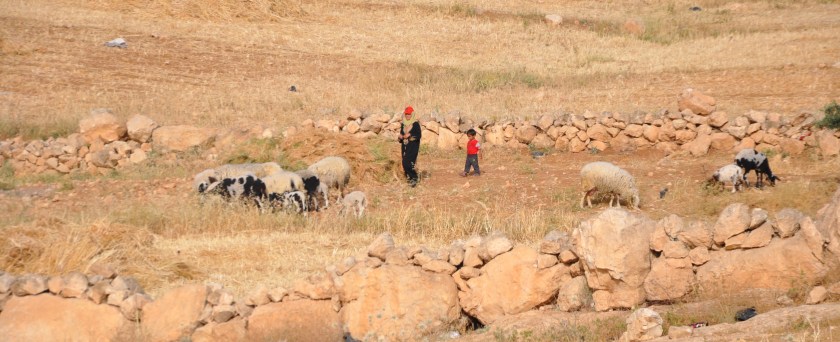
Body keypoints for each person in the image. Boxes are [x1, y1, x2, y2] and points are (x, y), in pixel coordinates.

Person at [398, 106, 422, 187]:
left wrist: (410, 134)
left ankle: (414, 177)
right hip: (405, 147)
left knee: (407, 162)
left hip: (413, 147)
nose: (407, 116)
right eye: (406, 114)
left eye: (409, 114)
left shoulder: (415, 124)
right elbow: (401, 134)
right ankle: (411, 177)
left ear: (412, 114)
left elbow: (419, 135)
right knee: (405, 163)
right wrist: (400, 137)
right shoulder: (403, 124)